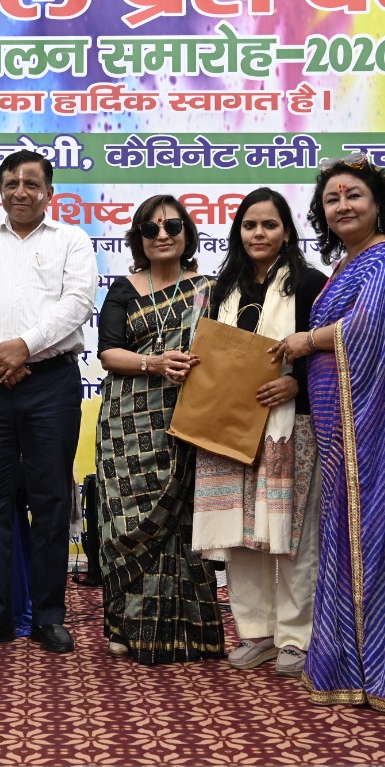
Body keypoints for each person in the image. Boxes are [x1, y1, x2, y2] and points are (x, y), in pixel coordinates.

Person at [273, 156, 385, 714]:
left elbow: (371, 328)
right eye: (332, 199)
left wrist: (307, 341)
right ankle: (349, 667)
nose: (343, 206)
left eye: (354, 195)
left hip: (383, 423)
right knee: (346, 533)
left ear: (379, 204)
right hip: (342, 426)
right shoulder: (346, 265)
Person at [0, 149, 97, 655]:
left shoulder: (71, 240)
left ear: (49, 192)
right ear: (0, 190)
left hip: (51, 382)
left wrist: (23, 347)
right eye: (11, 183)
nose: (20, 192)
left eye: (31, 184)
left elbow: (78, 303)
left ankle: (49, 616)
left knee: (50, 501)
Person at [191, 188, 327, 676]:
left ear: (287, 232)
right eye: (250, 225)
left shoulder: (311, 283)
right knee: (239, 535)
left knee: (291, 534)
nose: (259, 233)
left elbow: (327, 352)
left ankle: (295, 636)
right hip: (227, 425)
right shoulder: (221, 289)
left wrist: (296, 383)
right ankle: (256, 632)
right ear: (238, 232)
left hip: (290, 425)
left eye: (270, 225)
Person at [94, 195, 224, 664]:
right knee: (127, 521)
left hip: (190, 419)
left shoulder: (211, 290)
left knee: (183, 524)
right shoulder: (123, 289)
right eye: (151, 229)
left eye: (172, 226)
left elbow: (229, 350)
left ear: (188, 233)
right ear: (139, 239)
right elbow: (108, 353)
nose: (162, 235)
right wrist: (154, 362)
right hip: (128, 424)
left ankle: (187, 631)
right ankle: (126, 626)